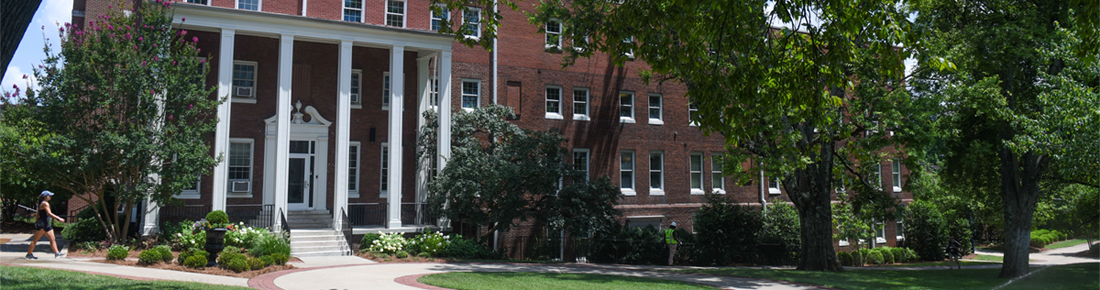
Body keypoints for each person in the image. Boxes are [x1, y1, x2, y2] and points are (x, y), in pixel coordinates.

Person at [26, 190, 65, 259]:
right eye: (49, 196)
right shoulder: (45, 204)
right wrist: (59, 218)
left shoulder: (42, 203)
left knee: (52, 238)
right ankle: (29, 254)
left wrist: (36, 221)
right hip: (43, 224)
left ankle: (57, 254)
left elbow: (38, 213)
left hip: (46, 224)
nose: (50, 197)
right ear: (45, 197)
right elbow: (49, 213)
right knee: (35, 240)